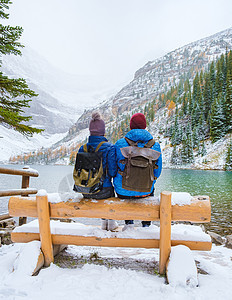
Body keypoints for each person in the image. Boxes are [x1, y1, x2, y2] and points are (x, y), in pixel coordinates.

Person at [113, 113, 162, 230]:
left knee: (123, 188)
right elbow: (157, 172)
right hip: (146, 191)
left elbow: (113, 169)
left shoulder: (120, 144)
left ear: (131, 126)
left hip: (123, 191)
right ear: (145, 126)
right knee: (150, 190)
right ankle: (146, 225)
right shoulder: (155, 145)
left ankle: (129, 224)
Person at [73, 112, 118, 231]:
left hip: (85, 190)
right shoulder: (109, 147)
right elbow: (113, 172)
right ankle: (111, 223)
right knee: (108, 191)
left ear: (90, 131)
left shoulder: (83, 148)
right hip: (103, 191)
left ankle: (103, 223)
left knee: (101, 192)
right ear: (103, 131)